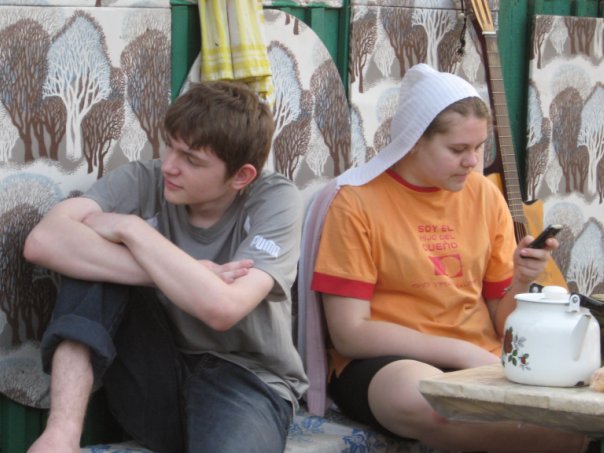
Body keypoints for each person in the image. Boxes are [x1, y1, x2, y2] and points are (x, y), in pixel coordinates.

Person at [310, 64, 592, 452]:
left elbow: (503, 322)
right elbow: (350, 333)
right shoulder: (356, 203)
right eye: (458, 150)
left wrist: (523, 280)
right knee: (434, 403)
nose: (473, 161)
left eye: (479, 147)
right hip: (389, 362)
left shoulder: (484, 195)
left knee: (565, 406)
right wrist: (459, 352)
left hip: (482, 355)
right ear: (413, 140)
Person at [23, 80, 308, 453]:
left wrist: (132, 230)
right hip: (155, 372)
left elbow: (222, 308)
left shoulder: (275, 199)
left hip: (247, 380)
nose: (170, 166)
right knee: (91, 268)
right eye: (170, 145)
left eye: (192, 159)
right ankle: (61, 435)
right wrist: (176, 270)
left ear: (241, 176)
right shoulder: (145, 178)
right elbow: (43, 241)